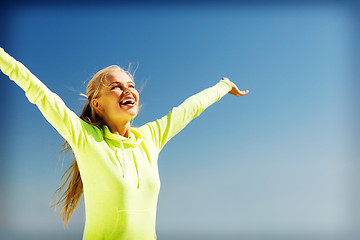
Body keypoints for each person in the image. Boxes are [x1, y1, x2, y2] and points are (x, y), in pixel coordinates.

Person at [0, 47, 249, 240]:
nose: (127, 91)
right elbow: (38, 92)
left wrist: (224, 86)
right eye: (116, 87)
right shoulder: (85, 138)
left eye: (130, 86)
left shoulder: (150, 137)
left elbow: (190, 108)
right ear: (96, 103)